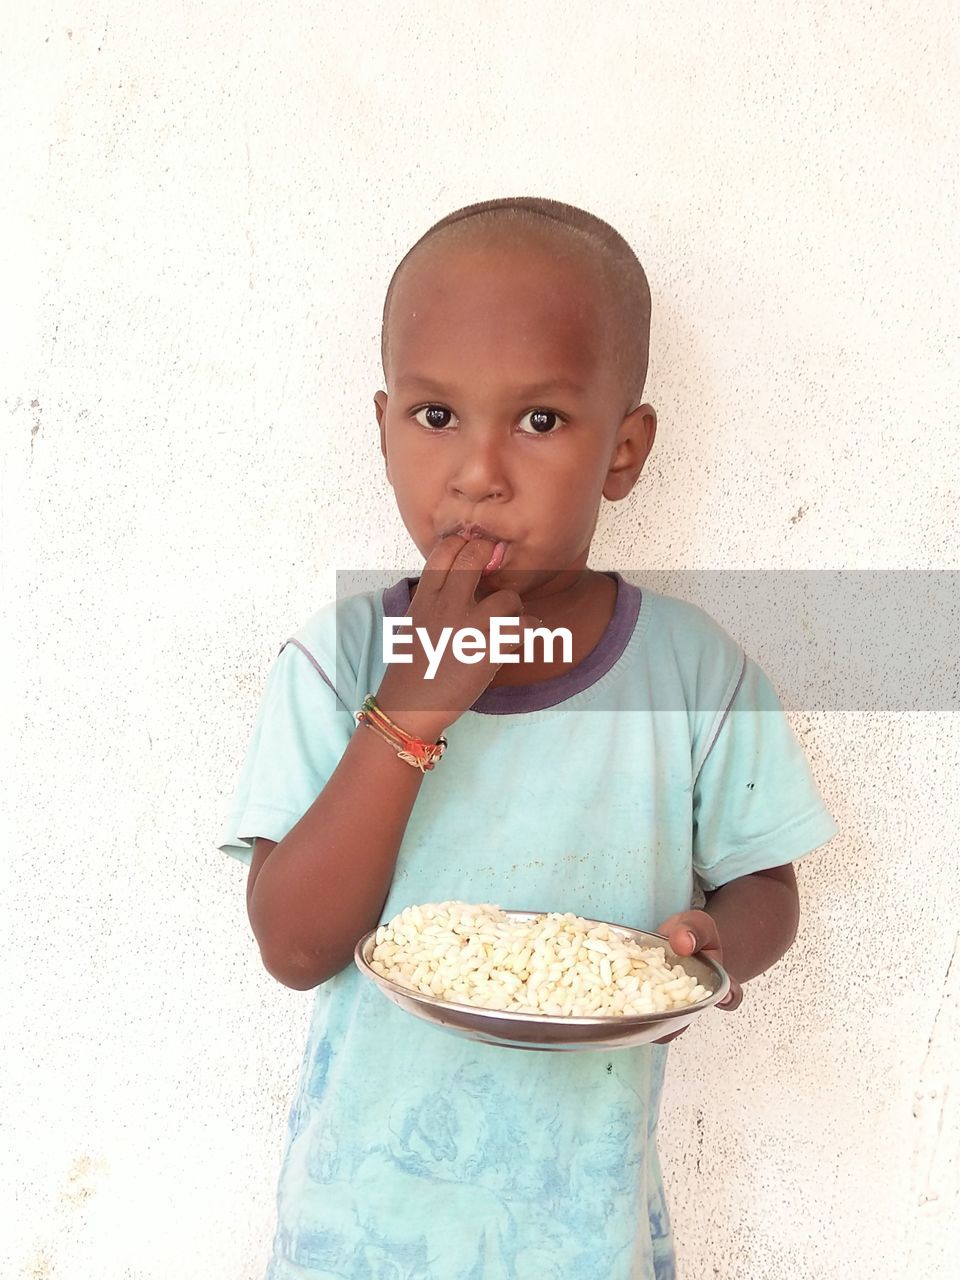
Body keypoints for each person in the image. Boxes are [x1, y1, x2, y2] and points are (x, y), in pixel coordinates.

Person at [217, 196, 838, 1280]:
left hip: (580, 1228)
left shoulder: (692, 673)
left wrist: (714, 948)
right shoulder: (339, 659)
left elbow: (766, 885)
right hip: (359, 1231)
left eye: (540, 422)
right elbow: (296, 946)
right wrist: (412, 707)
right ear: (382, 424)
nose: (479, 471)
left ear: (625, 450)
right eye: (435, 416)